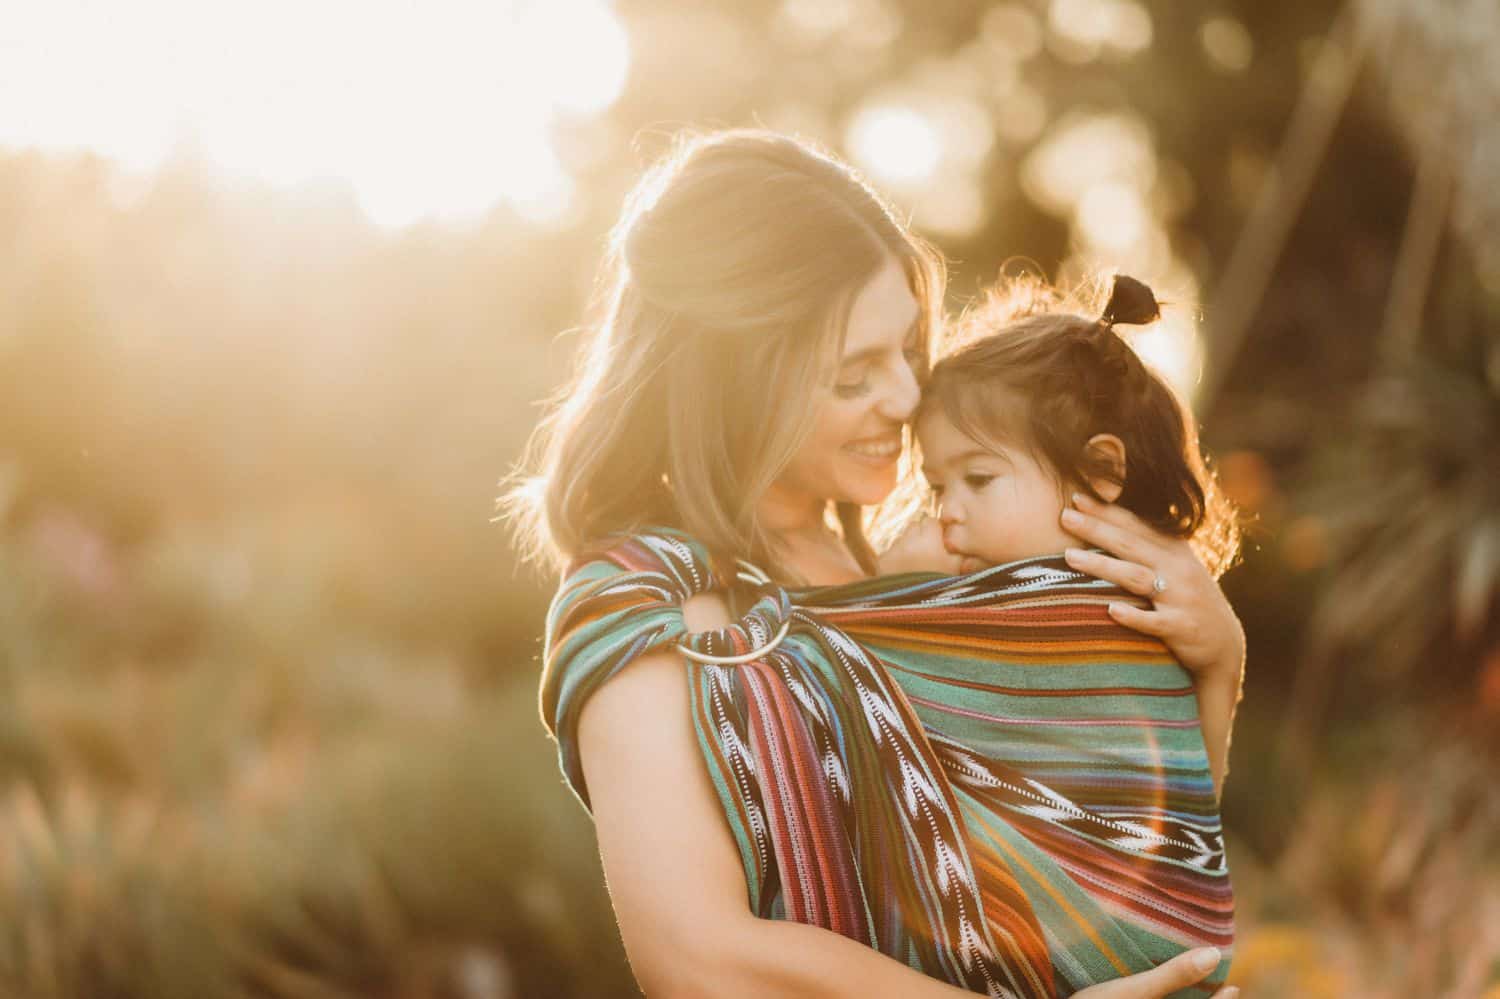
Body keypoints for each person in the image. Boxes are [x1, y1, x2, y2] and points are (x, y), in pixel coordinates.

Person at [505, 128, 1245, 997]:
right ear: (735, 379)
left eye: (907, 350)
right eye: (853, 375)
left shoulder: (925, 562)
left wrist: (1216, 655)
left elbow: (1120, 833)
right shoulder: (643, 606)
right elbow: (699, 958)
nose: (904, 396)